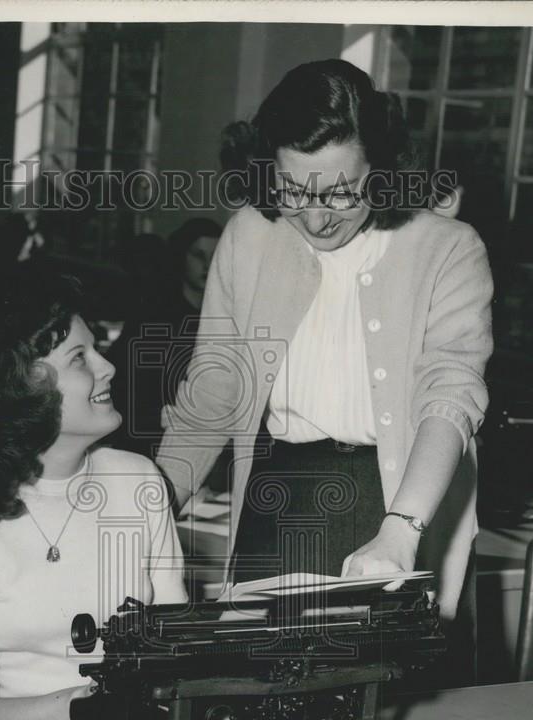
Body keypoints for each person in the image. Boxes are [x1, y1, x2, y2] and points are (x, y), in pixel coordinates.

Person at [157, 60, 494, 675]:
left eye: (341, 191)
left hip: (393, 499)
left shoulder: (449, 249)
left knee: (386, 707)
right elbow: (217, 387)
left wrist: (402, 528)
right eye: (292, 190)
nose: (314, 218)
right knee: (251, 706)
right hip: (276, 499)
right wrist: (154, 498)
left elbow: (448, 398)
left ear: (384, 169)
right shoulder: (248, 238)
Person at [0, 269, 187, 720]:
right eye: (81, 358)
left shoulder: (139, 479)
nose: (108, 367)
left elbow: (176, 650)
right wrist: (94, 701)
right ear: (26, 385)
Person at [108, 219, 221, 458]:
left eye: (215, 256)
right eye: (198, 255)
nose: (208, 265)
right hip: (150, 442)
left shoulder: (225, 318)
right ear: (182, 257)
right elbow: (131, 392)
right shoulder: (154, 317)